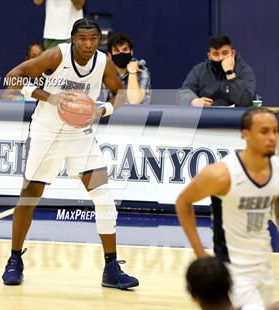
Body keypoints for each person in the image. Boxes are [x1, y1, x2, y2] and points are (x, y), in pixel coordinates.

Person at [1, 18, 139, 290]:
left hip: (80, 135)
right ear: (73, 39)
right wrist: (49, 97)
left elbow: (119, 94)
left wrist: (103, 110)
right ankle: (15, 259)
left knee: (104, 195)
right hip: (47, 131)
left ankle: (111, 267)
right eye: (83, 38)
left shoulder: (102, 62)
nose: (89, 44)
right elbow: (12, 78)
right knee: (30, 196)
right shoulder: (56, 55)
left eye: (93, 39)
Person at [176, 107, 279, 309]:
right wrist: (201, 255)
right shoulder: (222, 174)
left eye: (275, 131)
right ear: (245, 134)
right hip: (232, 270)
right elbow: (183, 202)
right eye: (264, 131)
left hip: (264, 265)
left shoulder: (277, 169)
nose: (272, 137)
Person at [177, 35, 256, 107]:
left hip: (236, 119)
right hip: (207, 117)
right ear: (209, 56)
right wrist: (193, 101)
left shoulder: (243, 69)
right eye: (216, 54)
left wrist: (230, 73)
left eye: (225, 53)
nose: (221, 58)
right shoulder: (199, 70)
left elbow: (246, 101)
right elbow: (182, 94)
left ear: (233, 53)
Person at [102, 31, 151, 105]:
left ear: (131, 52)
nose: (121, 53)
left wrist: (132, 72)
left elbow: (134, 101)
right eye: (117, 51)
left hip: (136, 115)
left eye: (125, 50)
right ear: (110, 55)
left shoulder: (141, 70)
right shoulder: (104, 71)